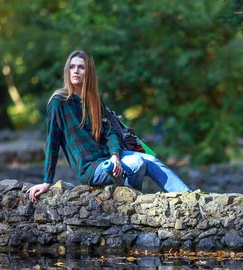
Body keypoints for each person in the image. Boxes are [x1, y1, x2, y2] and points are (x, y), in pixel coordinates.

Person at [27, 50, 191, 203]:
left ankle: (189, 199)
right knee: (138, 162)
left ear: (89, 72)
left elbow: (112, 131)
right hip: (90, 168)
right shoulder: (59, 102)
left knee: (151, 160)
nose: (75, 71)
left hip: (109, 157)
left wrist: (115, 155)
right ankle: (131, 201)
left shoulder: (94, 99)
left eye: (81, 67)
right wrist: (47, 182)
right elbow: (52, 143)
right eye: (72, 67)